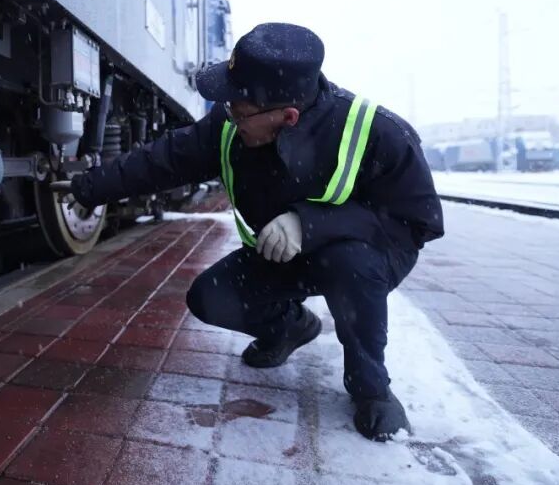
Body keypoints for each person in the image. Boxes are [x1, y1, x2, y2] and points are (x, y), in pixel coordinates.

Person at [69, 23, 444, 441]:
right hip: (283, 255)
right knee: (210, 297)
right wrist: (88, 188)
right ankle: (289, 328)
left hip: (359, 258)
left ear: (287, 116)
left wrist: (309, 223)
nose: (229, 114)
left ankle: (371, 389)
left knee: (348, 263)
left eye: (239, 109)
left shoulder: (379, 132)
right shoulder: (232, 124)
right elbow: (165, 159)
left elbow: (417, 222)